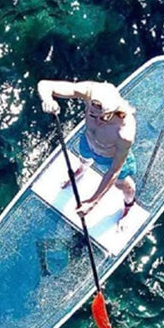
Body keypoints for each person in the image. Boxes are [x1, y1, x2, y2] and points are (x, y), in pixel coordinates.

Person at [37, 78, 137, 222]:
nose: (97, 122)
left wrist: (93, 202)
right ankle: (82, 170)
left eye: (104, 118)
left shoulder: (124, 132)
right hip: (87, 143)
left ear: (114, 112)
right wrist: (47, 100)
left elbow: (114, 171)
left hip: (109, 158)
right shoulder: (90, 92)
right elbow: (45, 85)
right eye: (92, 115)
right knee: (83, 159)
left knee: (124, 185)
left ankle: (129, 206)